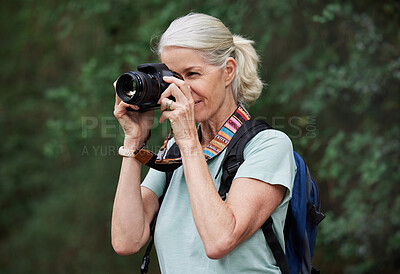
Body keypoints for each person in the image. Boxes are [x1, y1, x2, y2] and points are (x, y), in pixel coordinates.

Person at [112, 13, 296, 273]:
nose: (182, 89)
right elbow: (126, 240)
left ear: (228, 71)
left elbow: (220, 241)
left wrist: (187, 140)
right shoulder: (173, 152)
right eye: (173, 77)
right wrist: (133, 141)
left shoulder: (268, 146)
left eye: (193, 74)